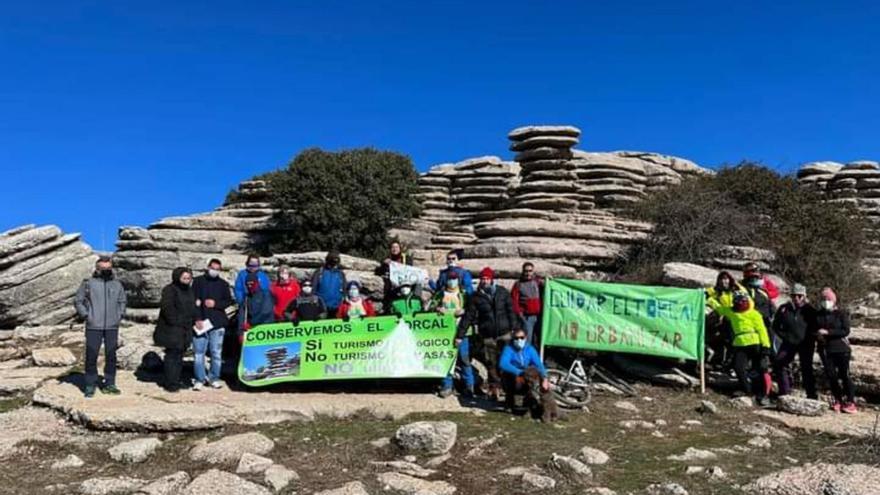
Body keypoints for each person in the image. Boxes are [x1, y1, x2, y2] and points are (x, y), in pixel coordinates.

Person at [457, 267, 518, 400]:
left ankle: (509, 391)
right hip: (488, 335)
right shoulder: (476, 297)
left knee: (507, 363)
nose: (485, 281)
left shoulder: (502, 292)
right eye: (483, 279)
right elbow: (468, 316)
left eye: (487, 278)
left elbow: (511, 311)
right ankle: (494, 390)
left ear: (492, 279)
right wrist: (460, 335)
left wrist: (514, 328)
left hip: (505, 333)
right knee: (491, 364)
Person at [74, 255, 127, 398]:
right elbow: (78, 301)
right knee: (91, 355)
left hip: (112, 326)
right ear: (96, 269)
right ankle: (90, 384)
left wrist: (119, 315)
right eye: (103, 268)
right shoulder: (88, 283)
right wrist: (86, 315)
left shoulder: (117, 284)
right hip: (93, 326)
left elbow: (122, 301)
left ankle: (110, 383)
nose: (106, 270)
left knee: (111, 355)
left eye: (108, 268)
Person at [707, 291, 772, 406]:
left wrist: (766, 346)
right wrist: (708, 297)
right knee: (738, 367)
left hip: (755, 342)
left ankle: (763, 395)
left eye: (743, 301)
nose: (741, 303)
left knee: (759, 369)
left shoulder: (754, 314)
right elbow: (719, 308)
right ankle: (748, 391)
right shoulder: (731, 312)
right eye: (738, 301)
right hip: (739, 343)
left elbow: (762, 330)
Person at [430, 271, 474, 398]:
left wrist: (464, 311)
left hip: (462, 332)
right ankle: (447, 385)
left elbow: (472, 309)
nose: (452, 281)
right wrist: (437, 309)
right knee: (446, 359)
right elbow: (431, 307)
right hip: (444, 333)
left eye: (454, 279)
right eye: (449, 279)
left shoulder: (464, 294)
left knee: (464, 359)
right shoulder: (440, 294)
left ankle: (468, 387)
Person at [191, 259, 233, 390]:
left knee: (216, 353)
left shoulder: (223, 284)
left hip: (217, 322)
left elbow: (228, 301)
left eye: (217, 269)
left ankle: (214, 377)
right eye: (212, 268)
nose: (214, 270)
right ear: (208, 267)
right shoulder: (198, 282)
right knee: (198, 353)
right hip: (201, 322)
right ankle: (199, 379)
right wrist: (196, 318)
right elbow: (193, 301)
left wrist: (216, 304)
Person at [154, 267, 197, 392]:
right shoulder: (170, 290)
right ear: (177, 277)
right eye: (184, 278)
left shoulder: (189, 291)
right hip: (172, 329)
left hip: (185, 329)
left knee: (179, 357)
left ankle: (176, 380)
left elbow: (192, 307)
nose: (186, 280)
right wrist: (178, 321)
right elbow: (167, 308)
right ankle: (170, 383)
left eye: (188, 278)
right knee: (172, 357)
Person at [814, 287, 856, 413]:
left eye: (828, 299)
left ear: (833, 300)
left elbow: (845, 330)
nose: (825, 301)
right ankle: (838, 399)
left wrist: (828, 332)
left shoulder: (841, 313)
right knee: (831, 376)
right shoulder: (819, 315)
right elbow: (814, 329)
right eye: (823, 299)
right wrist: (817, 335)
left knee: (845, 375)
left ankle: (850, 401)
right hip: (826, 350)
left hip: (841, 349)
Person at [499, 327, 554, 418]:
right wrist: (519, 372)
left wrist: (544, 378)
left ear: (526, 338)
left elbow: (538, 364)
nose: (519, 340)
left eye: (521, 338)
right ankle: (510, 401)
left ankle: (532, 406)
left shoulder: (530, 349)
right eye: (516, 338)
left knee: (536, 382)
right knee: (513, 380)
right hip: (514, 374)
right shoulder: (508, 349)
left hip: (527, 374)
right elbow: (503, 364)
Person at [771, 284, 814, 397]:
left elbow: (815, 327)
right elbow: (775, 325)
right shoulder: (784, 308)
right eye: (794, 295)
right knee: (779, 363)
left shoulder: (810, 310)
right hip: (788, 342)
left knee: (806, 368)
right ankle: (785, 392)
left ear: (804, 296)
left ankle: (811, 394)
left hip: (805, 343)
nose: (796, 298)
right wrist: (784, 336)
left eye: (799, 296)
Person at [704, 271, 744, 367]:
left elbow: (744, 299)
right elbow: (704, 295)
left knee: (733, 342)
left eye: (726, 279)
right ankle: (718, 361)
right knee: (720, 340)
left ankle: (731, 363)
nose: (723, 281)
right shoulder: (715, 290)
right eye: (721, 279)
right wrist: (717, 306)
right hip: (721, 319)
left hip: (735, 319)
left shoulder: (736, 290)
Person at [511, 262, 544, 345]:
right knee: (527, 340)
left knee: (539, 340)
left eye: (530, 271)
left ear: (533, 271)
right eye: (526, 271)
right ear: (523, 271)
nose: (528, 273)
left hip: (539, 316)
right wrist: (520, 315)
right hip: (527, 317)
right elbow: (514, 301)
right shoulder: (518, 284)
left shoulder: (537, 282)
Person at [378, 241, 413, 309]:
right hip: (392, 283)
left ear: (400, 248)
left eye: (396, 247)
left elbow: (410, 269)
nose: (394, 249)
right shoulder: (388, 259)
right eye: (393, 247)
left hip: (404, 281)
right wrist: (384, 264)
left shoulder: (406, 258)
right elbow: (380, 271)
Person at [312, 250, 347, 316]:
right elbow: (313, 289)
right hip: (321, 308)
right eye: (333, 260)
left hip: (336, 307)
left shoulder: (340, 274)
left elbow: (344, 290)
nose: (334, 263)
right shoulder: (319, 272)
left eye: (336, 261)